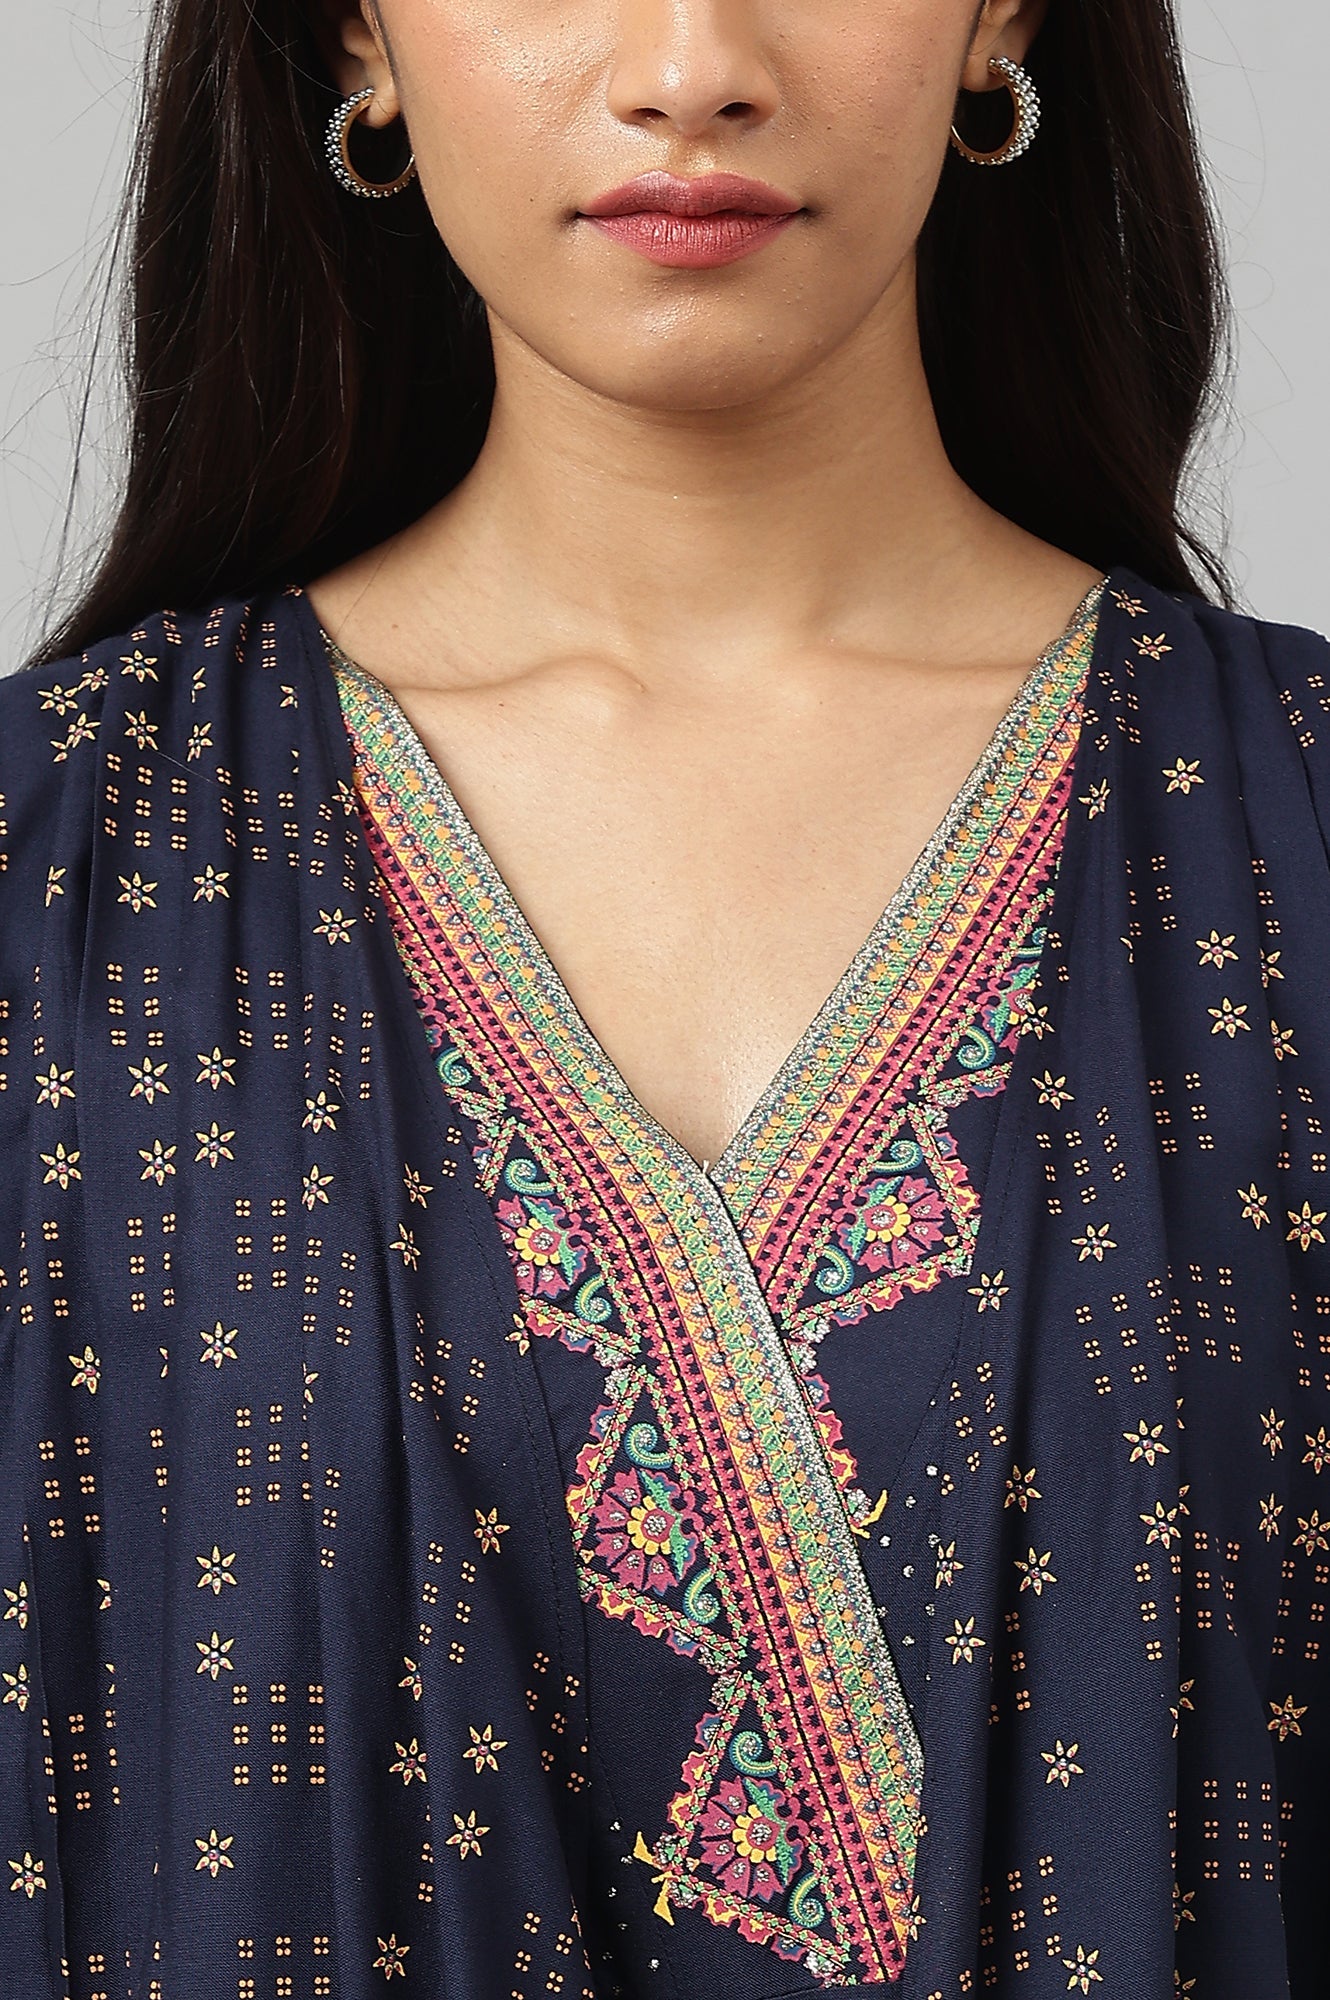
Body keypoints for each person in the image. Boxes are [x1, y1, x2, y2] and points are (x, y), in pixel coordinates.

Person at [1, 1, 1326, 1994]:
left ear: (1000, 19)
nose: (690, 65)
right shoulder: (56, 865)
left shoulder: (1292, 827)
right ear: (356, 37)